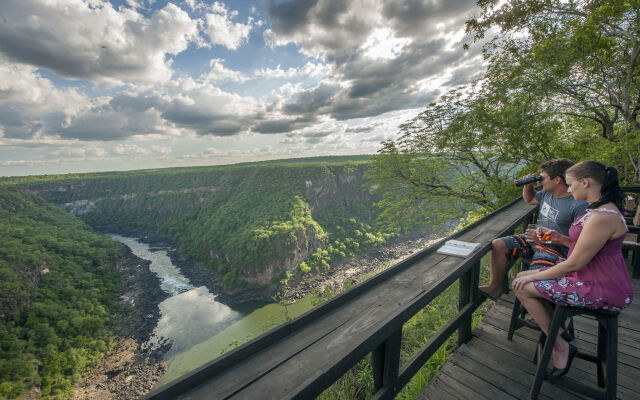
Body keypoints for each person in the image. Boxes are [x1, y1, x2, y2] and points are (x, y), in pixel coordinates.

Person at [512, 161, 633, 376]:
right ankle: (559, 334)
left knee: (520, 285)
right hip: (591, 275)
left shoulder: (601, 217)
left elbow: (574, 264)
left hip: (598, 286)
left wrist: (535, 276)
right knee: (522, 276)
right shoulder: (600, 209)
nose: (568, 190)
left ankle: (560, 343)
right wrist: (561, 239)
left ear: (584, 182)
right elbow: (590, 248)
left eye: (570, 184)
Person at [479, 159, 588, 300]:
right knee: (498, 244)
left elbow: (580, 243)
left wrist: (546, 239)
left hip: (557, 250)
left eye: (542, 178)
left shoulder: (577, 205)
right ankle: (495, 287)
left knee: (531, 280)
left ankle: (542, 310)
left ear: (557, 180)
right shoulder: (547, 194)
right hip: (535, 240)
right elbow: (530, 200)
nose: (540, 181)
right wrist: (528, 185)